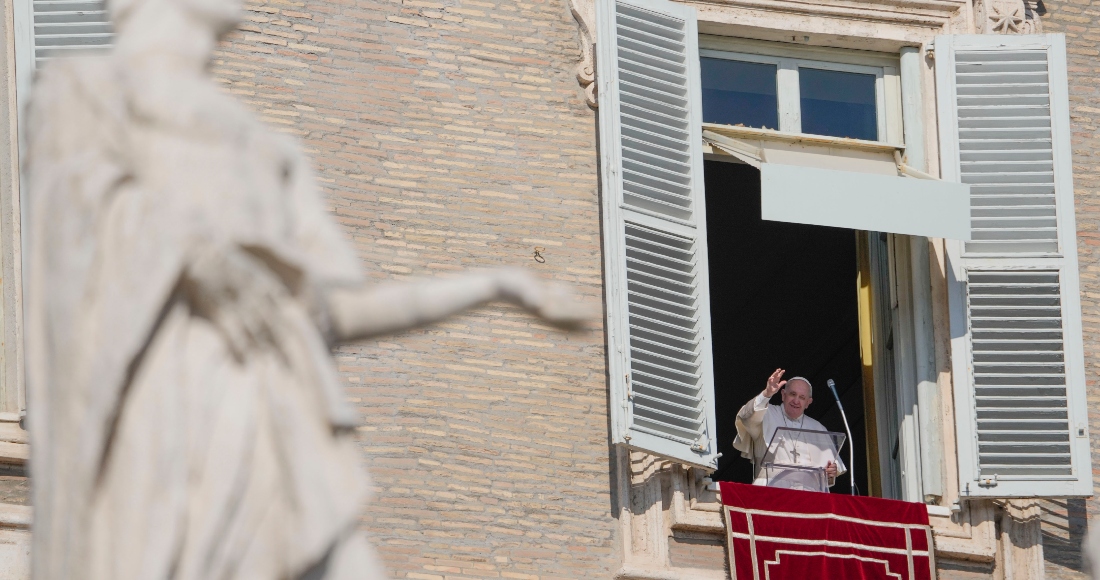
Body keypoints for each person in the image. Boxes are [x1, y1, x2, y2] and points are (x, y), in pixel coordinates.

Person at [732, 369, 845, 489]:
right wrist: (767, 393)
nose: (796, 401)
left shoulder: (817, 427)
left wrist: (830, 473)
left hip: (808, 494)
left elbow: (827, 473)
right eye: (792, 394)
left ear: (808, 402)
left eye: (802, 397)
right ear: (783, 395)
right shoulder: (766, 413)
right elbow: (746, 417)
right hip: (770, 490)